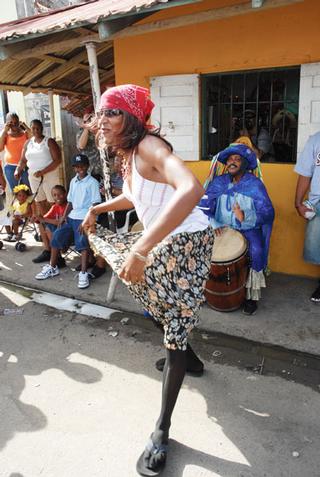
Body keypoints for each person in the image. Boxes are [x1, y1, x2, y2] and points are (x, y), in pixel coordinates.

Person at [81, 84, 213, 476]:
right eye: (100, 113)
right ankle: (189, 357)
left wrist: (140, 249)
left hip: (187, 243)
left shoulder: (151, 147)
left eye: (113, 113)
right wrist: (98, 206)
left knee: (169, 319)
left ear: (133, 120)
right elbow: (135, 197)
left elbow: (191, 188)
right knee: (145, 292)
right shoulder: (128, 156)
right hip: (160, 241)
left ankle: (161, 431)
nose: (102, 121)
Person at [199, 143, 274, 315]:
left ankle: (251, 298)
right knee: (198, 246)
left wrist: (245, 216)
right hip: (220, 226)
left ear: (245, 164)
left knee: (256, 250)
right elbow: (203, 204)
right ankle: (203, 289)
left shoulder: (254, 185)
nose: (232, 162)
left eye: (237, 159)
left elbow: (267, 212)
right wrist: (213, 221)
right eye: (230, 159)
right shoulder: (219, 182)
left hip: (247, 228)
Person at [35, 154, 101, 289]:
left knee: (82, 241)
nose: (79, 169)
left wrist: (88, 222)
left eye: (82, 166)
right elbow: (70, 201)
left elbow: (95, 204)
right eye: (77, 167)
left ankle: (83, 273)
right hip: (71, 216)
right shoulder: (73, 181)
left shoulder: (92, 182)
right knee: (57, 237)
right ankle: (52, 267)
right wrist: (64, 216)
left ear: (87, 166)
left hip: (84, 217)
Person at [14, 119, 62, 262]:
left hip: (49, 178)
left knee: (53, 209)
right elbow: (23, 160)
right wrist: (18, 169)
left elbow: (57, 160)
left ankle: (56, 248)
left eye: (38, 128)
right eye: (33, 128)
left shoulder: (49, 141)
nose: (35, 131)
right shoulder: (28, 143)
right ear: (30, 129)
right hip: (34, 178)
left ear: (42, 129)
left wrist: (43, 171)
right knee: (40, 211)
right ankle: (47, 248)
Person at [294, 131, 320, 302]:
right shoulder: (316, 140)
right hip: (318, 203)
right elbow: (305, 173)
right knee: (317, 247)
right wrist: (298, 202)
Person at [33, 184, 68, 267]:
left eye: (60, 194)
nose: (57, 197)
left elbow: (60, 222)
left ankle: (57, 256)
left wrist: (43, 219)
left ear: (65, 194)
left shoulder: (68, 206)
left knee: (48, 227)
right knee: (42, 224)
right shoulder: (55, 207)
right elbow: (44, 218)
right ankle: (48, 251)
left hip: (67, 233)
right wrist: (37, 218)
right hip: (56, 233)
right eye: (54, 195)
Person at [0, 112, 31, 191]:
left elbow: (33, 138)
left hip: (25, 166)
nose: (14, 124)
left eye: (16, 122)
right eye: (11, 122)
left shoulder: (25, 133)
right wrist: (4, 130)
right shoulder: (6, 134)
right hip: (10, 168)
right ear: (7, 123)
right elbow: (0, 148)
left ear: (19, 121)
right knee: (16, 192)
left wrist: (25, 126)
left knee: (27, 191)